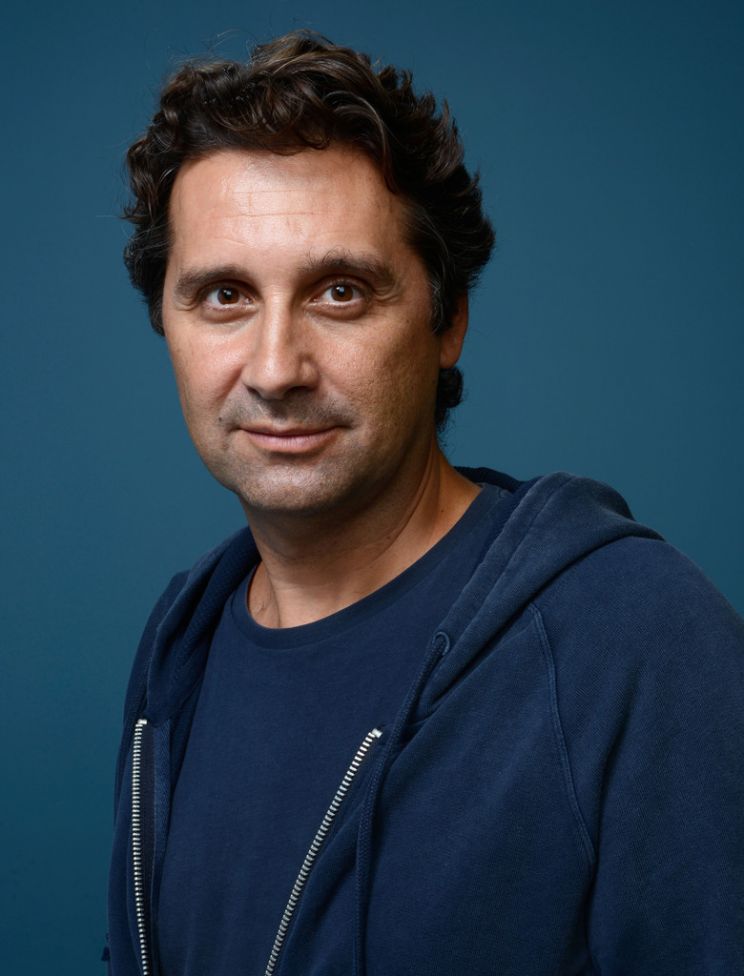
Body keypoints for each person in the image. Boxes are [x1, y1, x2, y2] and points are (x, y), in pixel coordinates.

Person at [106, 31, 744, 976]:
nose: (276, 369)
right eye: (225, 296)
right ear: (167, 321)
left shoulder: (634, 639)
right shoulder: (182, 645)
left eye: (340, 292)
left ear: (448, 321)